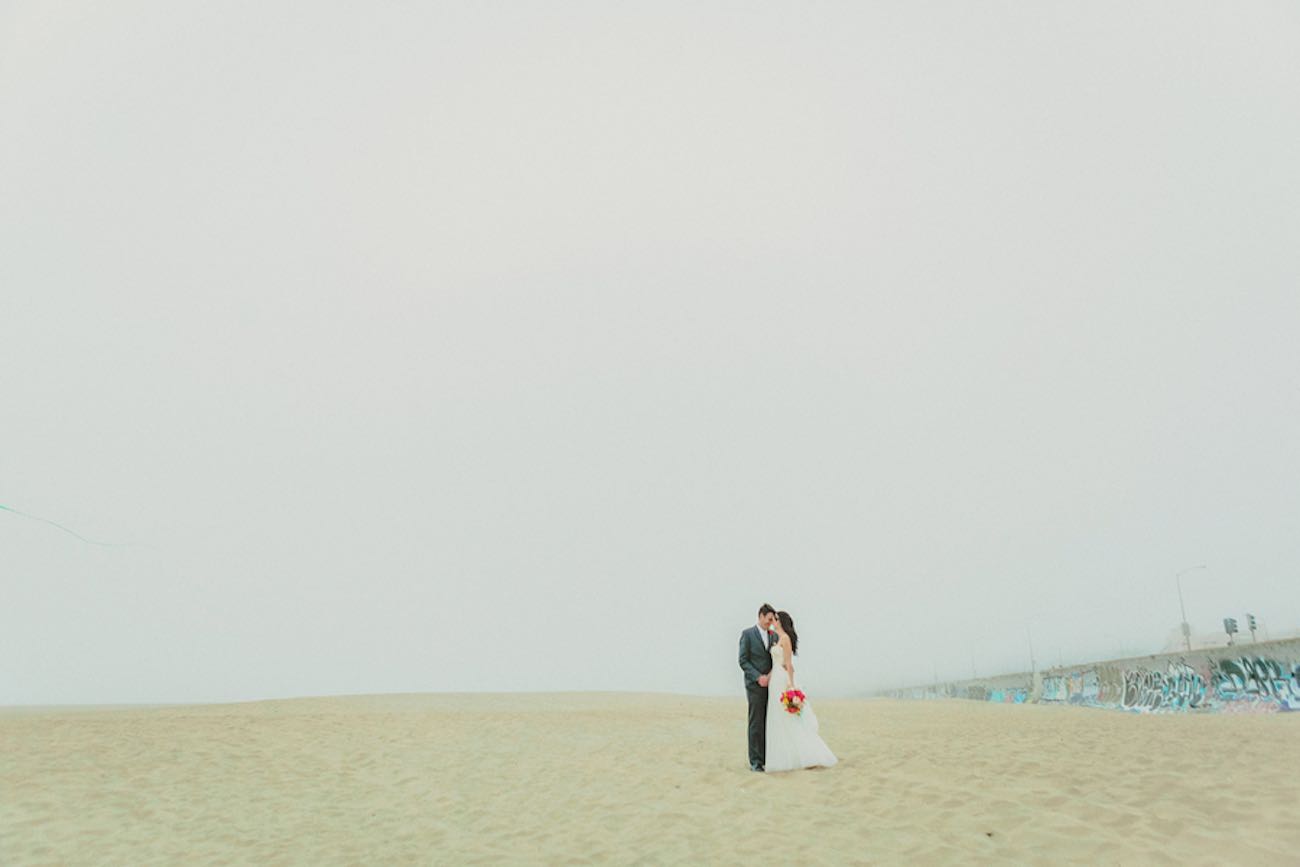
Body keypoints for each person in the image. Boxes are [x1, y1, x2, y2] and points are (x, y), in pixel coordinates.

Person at [763, 610, 838, 773]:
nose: (772, 622)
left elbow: (788, 664)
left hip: (782, 679)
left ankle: (806, 754)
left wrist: (790, 685)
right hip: (774, 679)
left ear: (780, 621)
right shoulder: (777, 639)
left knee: (788, 718)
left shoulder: (785, 639)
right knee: (777, 717)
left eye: (774, 619)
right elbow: (777, 663)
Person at [738, 604, 777, 771]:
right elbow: (743, 660)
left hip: (772, 684)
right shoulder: (747, 634)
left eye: (773, 620)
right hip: (754, 686)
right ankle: (755, 761)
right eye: (769, 619)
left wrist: (771, 676)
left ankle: (767, 757)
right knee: (756, 722)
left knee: (769, 721)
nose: (771, 623)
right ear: (760, 616)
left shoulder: (774, 636)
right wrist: (758, 677)